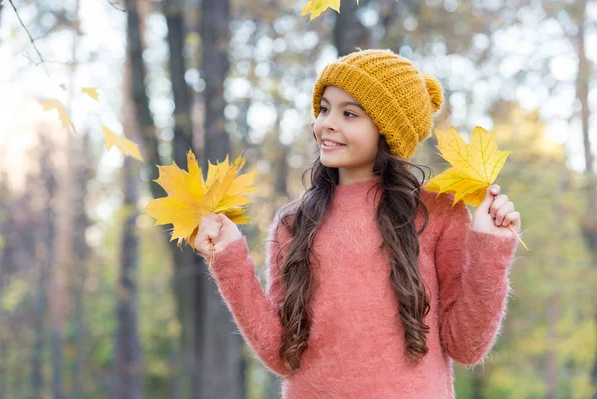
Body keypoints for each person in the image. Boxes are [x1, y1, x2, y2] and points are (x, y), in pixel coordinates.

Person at [194, 49, 521, 398]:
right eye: (324, 109)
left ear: (387, 130)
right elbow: (281, 354)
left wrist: (491, 250)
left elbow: (466, 346)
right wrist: (228, 259)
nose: (326, 123)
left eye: (349, 113)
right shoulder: (295, 222)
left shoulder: (436, 212)